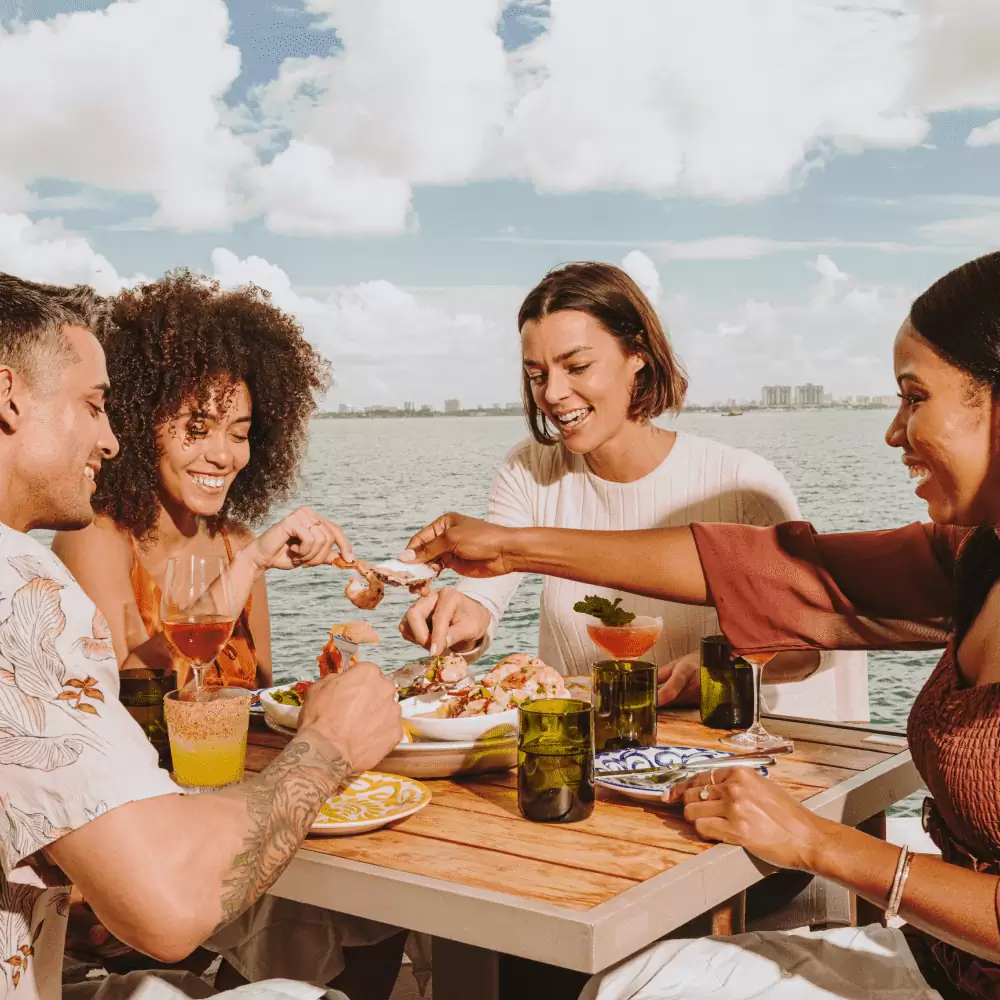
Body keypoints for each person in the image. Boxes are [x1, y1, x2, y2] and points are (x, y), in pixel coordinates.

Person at [401, 251, 1000, 999]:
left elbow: (782, 612)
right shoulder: (974, 558)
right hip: (942, 962)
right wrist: (508, 546)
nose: (892, 431)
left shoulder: (741, 475)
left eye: (915, 397)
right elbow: (774, 568)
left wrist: (817, 842)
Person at [0, 271, 403, 1000]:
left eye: (240, 433)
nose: (111, 437)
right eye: (95, 407)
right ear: (9, 397)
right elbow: (168, 905)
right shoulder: (32, 582)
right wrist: (330, 740)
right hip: (158, 850)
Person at [400, 262, 868, 722]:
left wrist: (715, 666)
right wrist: (464, 616)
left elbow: (811, 647)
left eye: (577, 366)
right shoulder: (529, 469)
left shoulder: (743, 485)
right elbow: (486, 590)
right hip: (582, 756)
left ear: (637, 355)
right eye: (537, 375)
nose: (554, 394)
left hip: (714, 758)